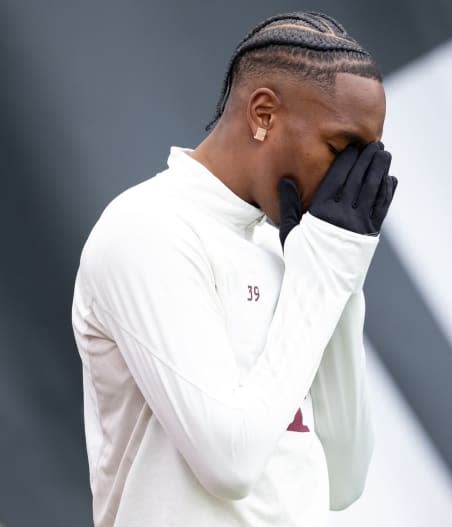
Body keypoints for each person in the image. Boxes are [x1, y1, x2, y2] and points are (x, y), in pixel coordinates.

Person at [71, 11, 397, 526]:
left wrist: (341, 282)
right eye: (339, 150)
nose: (349, 181)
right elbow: (228, 464)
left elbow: (344, 476)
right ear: (263, 113)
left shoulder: (293, 254)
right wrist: (326, 271)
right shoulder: (149, 228)